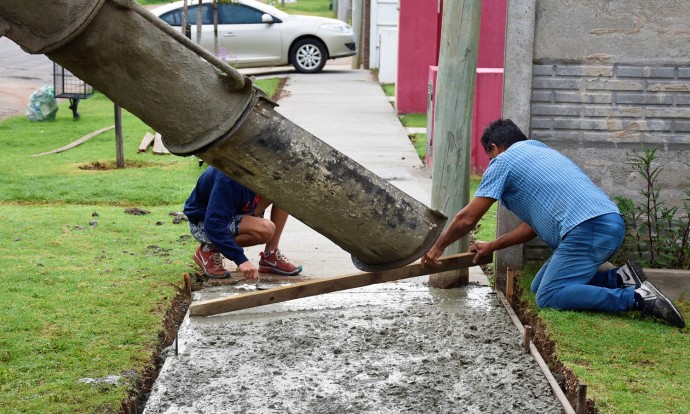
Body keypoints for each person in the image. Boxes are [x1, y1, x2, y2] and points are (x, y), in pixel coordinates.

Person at [421, 119, 685, 328]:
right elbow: (531, 227)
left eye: (489, 157)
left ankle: (638, 299)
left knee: (548, 296)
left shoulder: (503, 161)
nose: (491, 163)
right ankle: (620, 279)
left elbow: (468, 217)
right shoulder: (539, 151)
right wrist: (491, 245)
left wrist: (436, 247)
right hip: (604, 223)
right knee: (538, 286)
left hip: (589, 228)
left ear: (493, 148)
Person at [184, 166, 302, 280]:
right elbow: (213, 224)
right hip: (204, 222)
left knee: (283, 191)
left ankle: (270, 255)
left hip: (234, 211)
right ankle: (209, 248)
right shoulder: (229, 177)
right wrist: (241, 260)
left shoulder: (262, 170)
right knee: (265, 230)